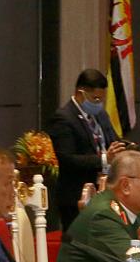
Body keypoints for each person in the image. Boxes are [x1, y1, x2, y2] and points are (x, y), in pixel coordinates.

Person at [47, 69, 127, 230]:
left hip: (103, 190)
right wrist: (104, 159)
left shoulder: (101, 114)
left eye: (102, 99)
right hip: (76, 194)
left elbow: (113, 139)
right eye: (95, 98)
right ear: (80, 93)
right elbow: (67, 159)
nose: (99, 103)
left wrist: (127, 147)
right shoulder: (63, 118)